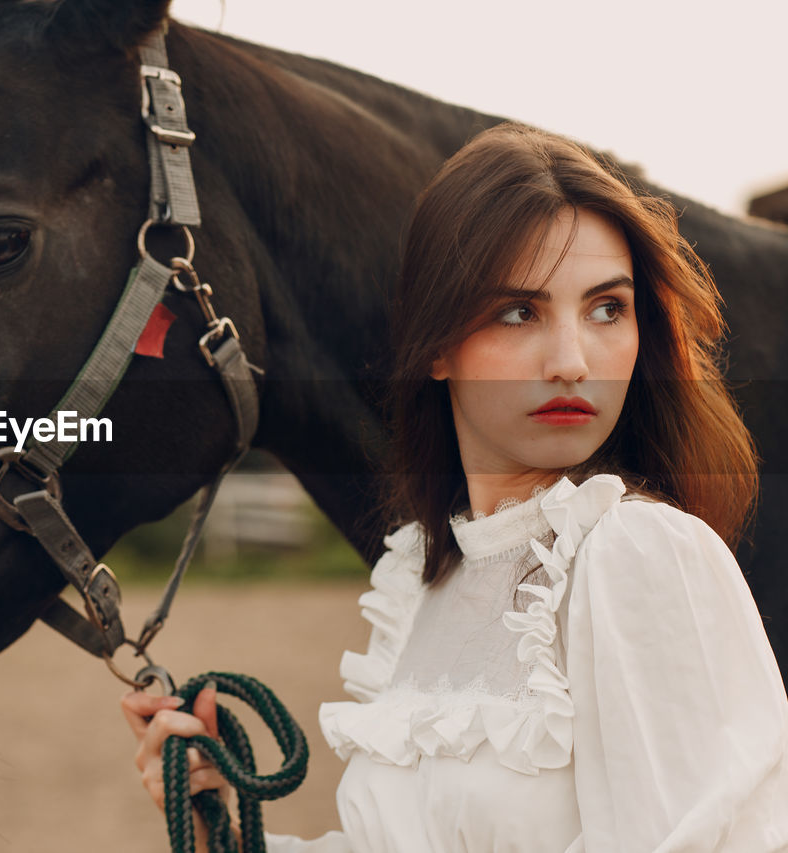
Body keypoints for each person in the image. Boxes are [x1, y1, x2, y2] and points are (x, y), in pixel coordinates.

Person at [120, 123, 788, 851]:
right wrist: (226, 827)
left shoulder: (639, 553)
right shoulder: (424, 583)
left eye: (607, 308)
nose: (572, 359)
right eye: (518, 310)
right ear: (436, 345)